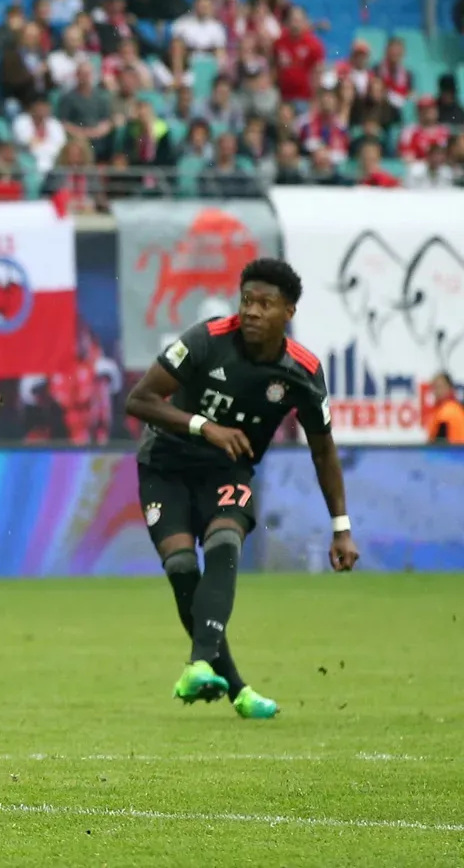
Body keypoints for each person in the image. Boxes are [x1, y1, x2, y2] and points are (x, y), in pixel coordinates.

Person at [123, 258, 359, 721]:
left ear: (288, 312)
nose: (251, 311)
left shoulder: (302, 373)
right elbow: (139, 400)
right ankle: (236, 689)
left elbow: (323, 451)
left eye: (265, 304)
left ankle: (198, 664)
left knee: (225, 543)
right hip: (165, 465)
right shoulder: (207, 340)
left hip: (227, 471)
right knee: (183, 567)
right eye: (247, 300)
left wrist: (341, 527)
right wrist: (204, 426)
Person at [428, 373, 464, 444]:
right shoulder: (457, 408)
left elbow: (438, 444)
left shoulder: (447, 412)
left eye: (439, 387)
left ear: (449, 388)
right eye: (434, 387)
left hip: (451, 453)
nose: (436, 391)